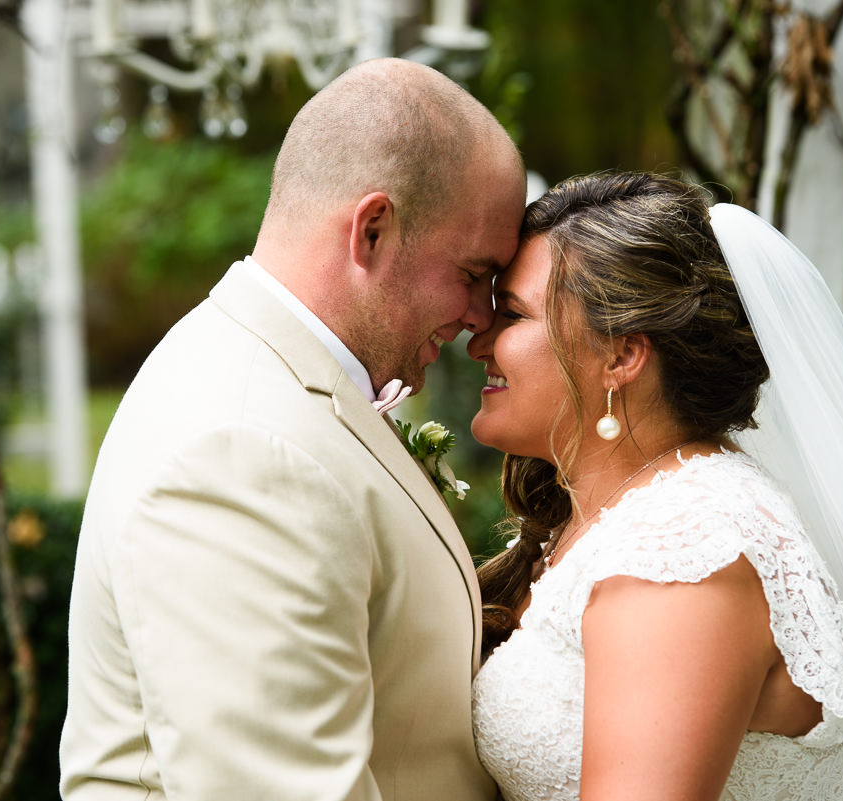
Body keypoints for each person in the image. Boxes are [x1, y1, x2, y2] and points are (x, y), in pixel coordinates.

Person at [58, 58, 527, 800]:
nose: (480, 317)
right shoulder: (240, 449)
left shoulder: (275, 385)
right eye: (473, 273)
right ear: (373, 229)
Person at [466, 172, 843, 801]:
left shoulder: (686, 550)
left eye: (510, 314)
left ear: (622, 355)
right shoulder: (624, 516)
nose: (476, 341)